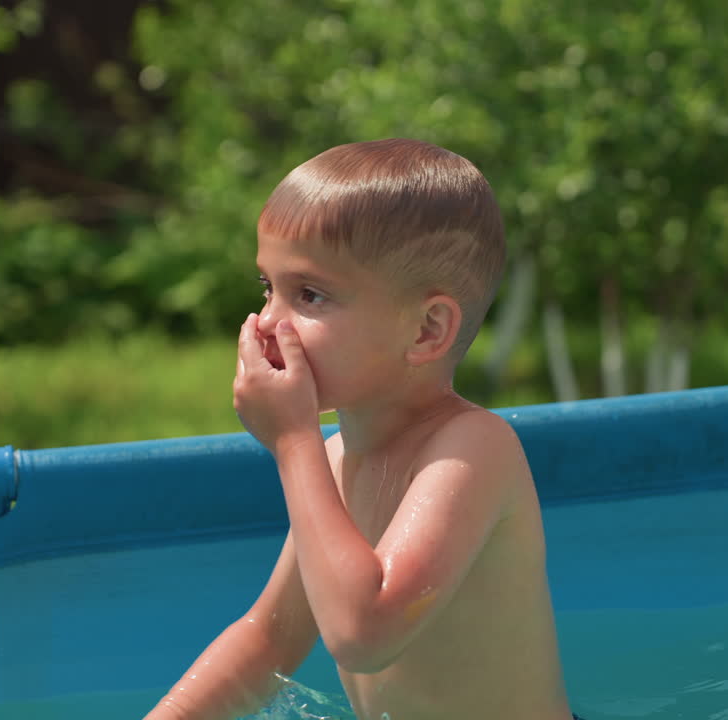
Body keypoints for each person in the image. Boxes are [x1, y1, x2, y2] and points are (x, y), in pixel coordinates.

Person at [144, 138, 576, 720]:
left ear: (426, 331)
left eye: (310, 295)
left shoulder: (474, 450)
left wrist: (293, 441)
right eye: (268, 288)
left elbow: (364, 635)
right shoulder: (336, 457)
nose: (267, 322)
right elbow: (266, 642)